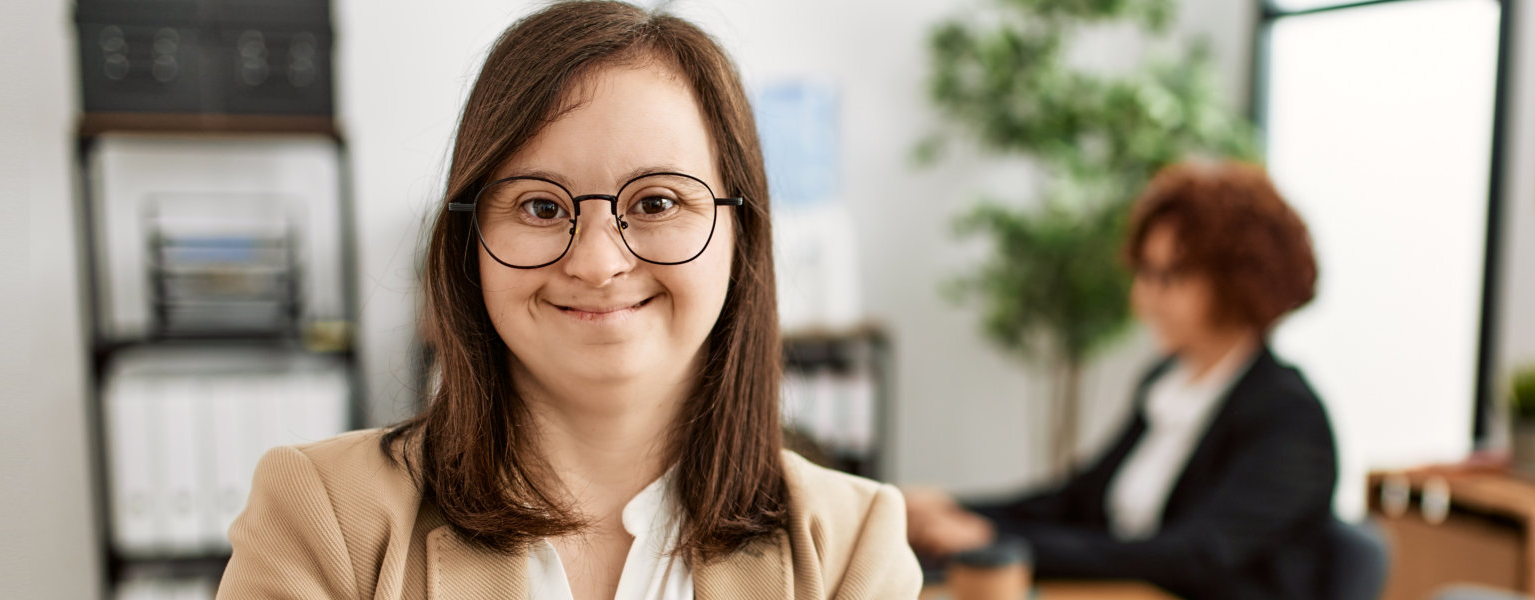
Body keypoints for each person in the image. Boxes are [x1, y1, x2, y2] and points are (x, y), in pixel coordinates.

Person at [214, 2, 923, 599]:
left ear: (742, 234)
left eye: (657, 201)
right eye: (541, 207)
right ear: (469, 241)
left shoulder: (850, 546)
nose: (597, 262)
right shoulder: (322, 515)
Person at [906, 160, 1339, 599]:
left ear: (1237, 281)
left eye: (1168, 276)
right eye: (1144, 273)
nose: (1144, 297)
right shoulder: (1168, 383)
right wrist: (952, 509)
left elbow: (1191, 556)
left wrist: (992, 542)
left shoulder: (1289, 420)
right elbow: (1076, 503)